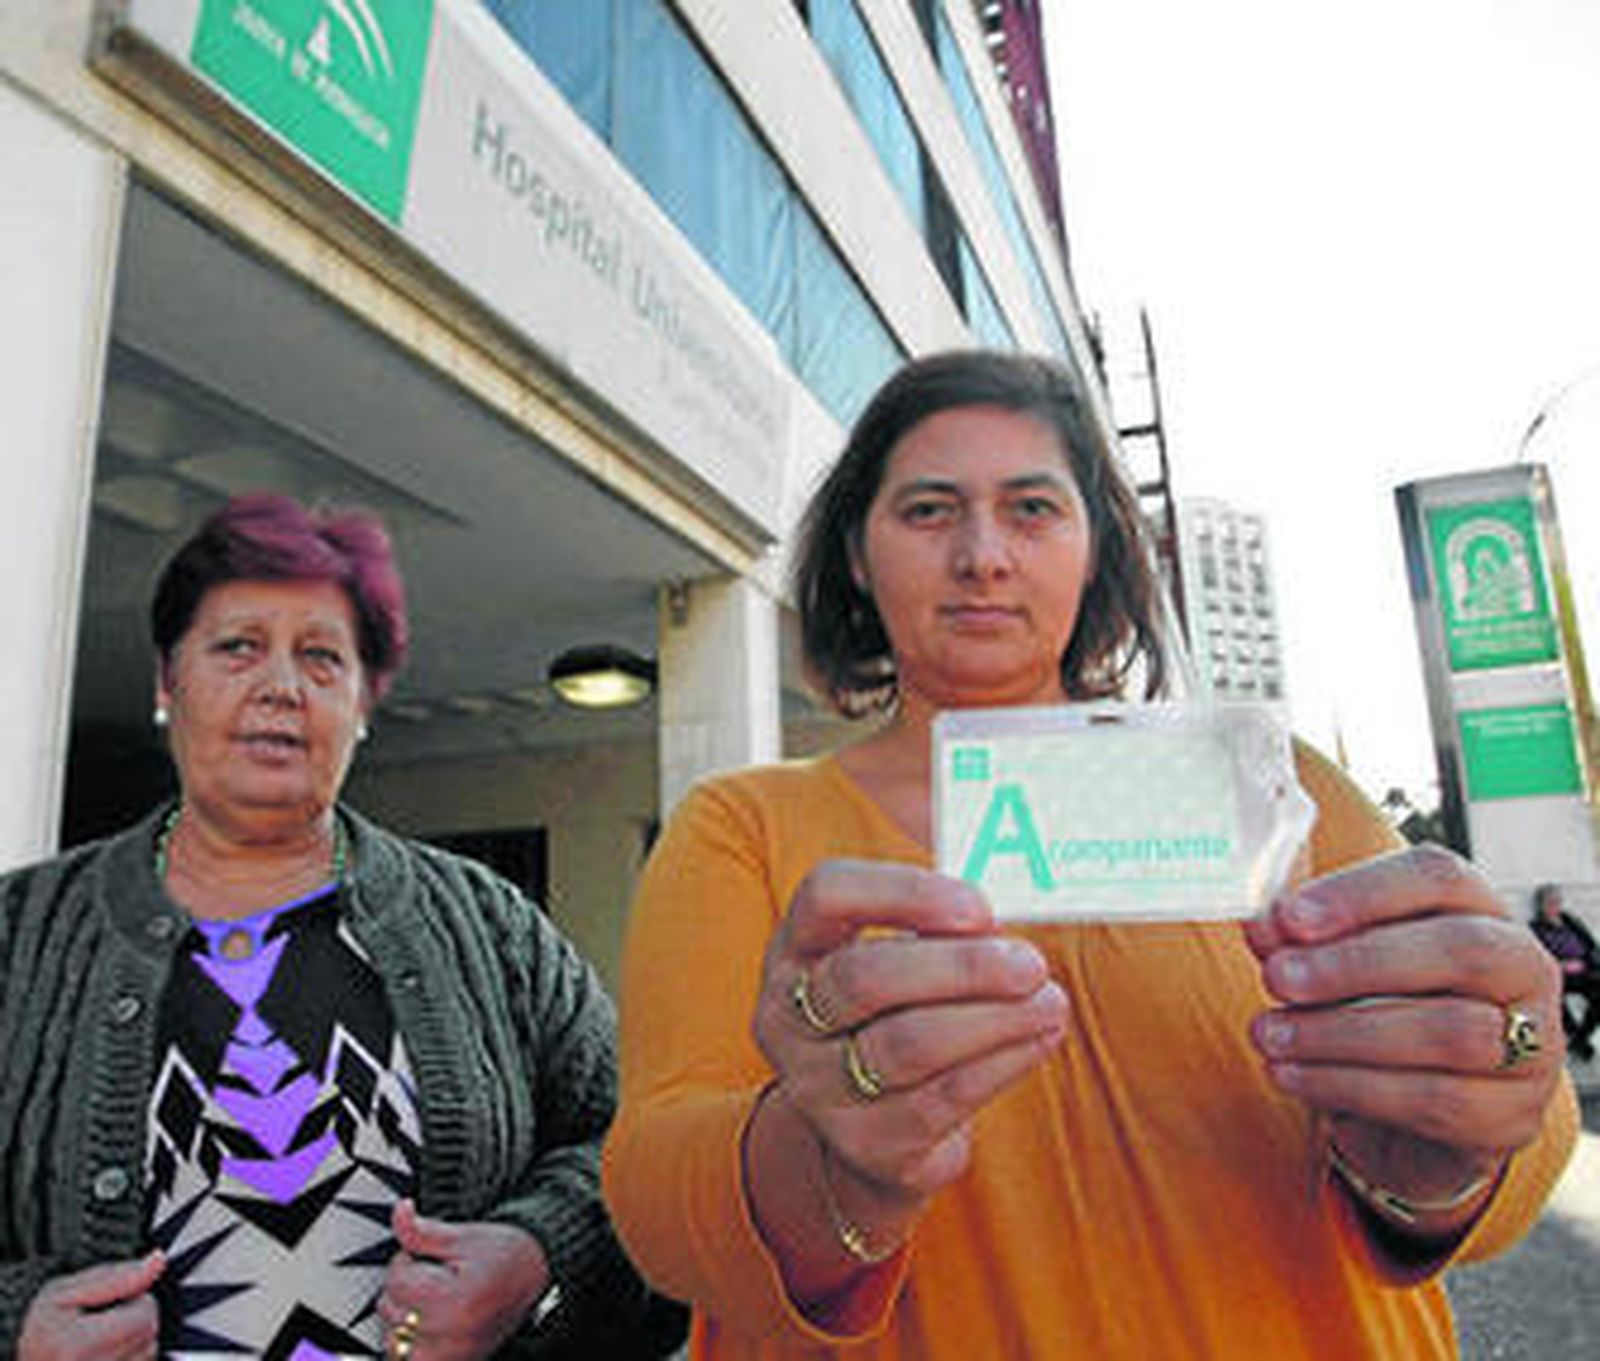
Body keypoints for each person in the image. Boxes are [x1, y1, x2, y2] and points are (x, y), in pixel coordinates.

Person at [602, 351, 1579, 1359]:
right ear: (856, 551)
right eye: (929, 510)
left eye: (1031, 508)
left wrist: (1451, 1142)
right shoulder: (744, 826)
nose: (983, 556)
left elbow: (1517, 1123)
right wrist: (824, 1168)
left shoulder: (1274, 787)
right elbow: (652, 1201)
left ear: (1097, 546)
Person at [0, 494, 677, 1359]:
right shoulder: (19, 936)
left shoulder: (493, 926)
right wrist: (16, 1325)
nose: (281, 686)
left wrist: (540, 1257)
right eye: (238, 646)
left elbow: (638, 1145)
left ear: (362, 704)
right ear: (167, 683)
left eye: (322, 657)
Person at [1531, 882, 1600, 1060]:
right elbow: (1539, 957)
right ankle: (1578, 1040)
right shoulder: (1536, 928)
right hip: (1559, 975)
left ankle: (1579, 1039)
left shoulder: (1571, 921)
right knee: (1555, 999)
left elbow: (1591, 945)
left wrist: (1587, 963)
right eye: (1549, 902)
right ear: (1540, 906)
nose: (1554, 906)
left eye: (1557, 901)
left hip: (1584, 970)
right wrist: (1561, 965)